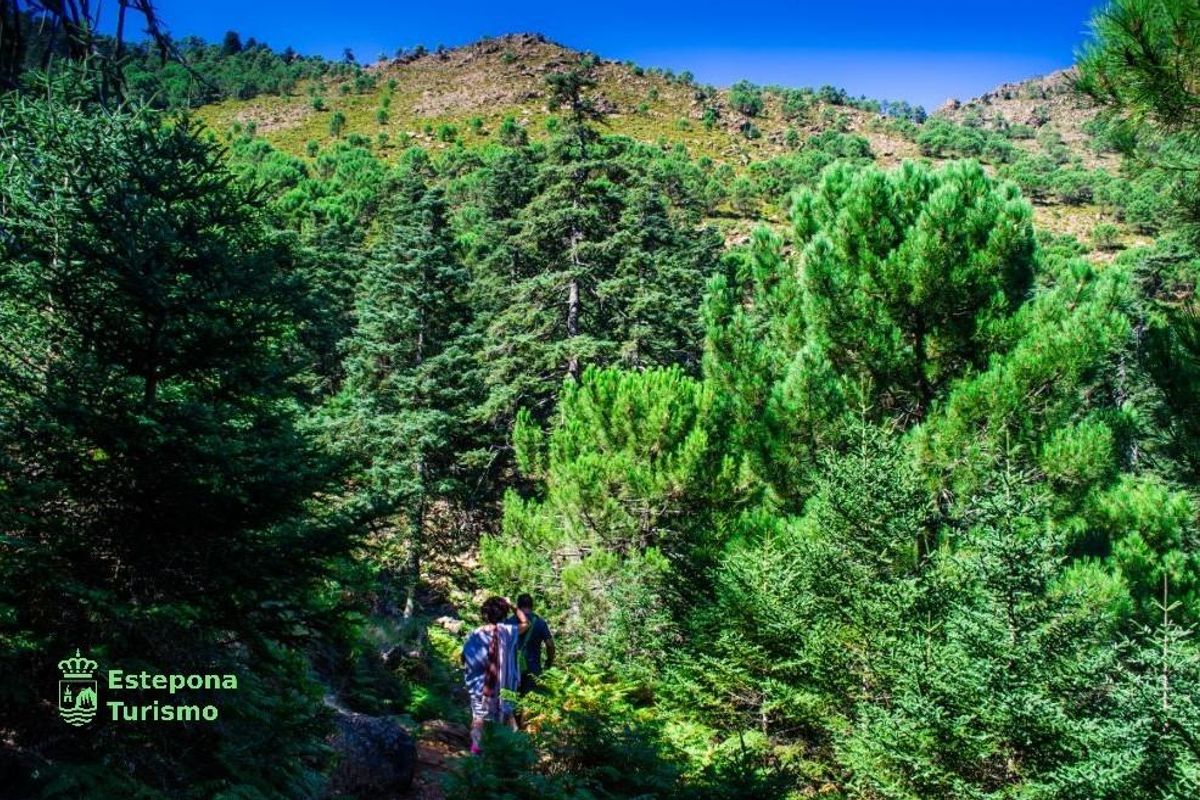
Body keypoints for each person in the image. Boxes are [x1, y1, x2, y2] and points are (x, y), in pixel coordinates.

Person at [462, 596, 528, 755]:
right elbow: (526, 623)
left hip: (480, 686)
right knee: (509, 713)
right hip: (506, 684)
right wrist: (512, 604)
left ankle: (476, 752)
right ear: (504, 614)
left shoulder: (475, 634)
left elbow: (465, 657)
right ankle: (513, 754)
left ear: (485, 614)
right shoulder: (508, 632)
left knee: (478, 717)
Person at [509, 593, 555, 696]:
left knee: (511, 699)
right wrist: (549, 662)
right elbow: (550, 644)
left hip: (512, 667)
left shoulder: (510, 621)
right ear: (532, 605)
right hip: (533, 668)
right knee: (531, 703)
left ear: (518, 605)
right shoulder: (540, 622)